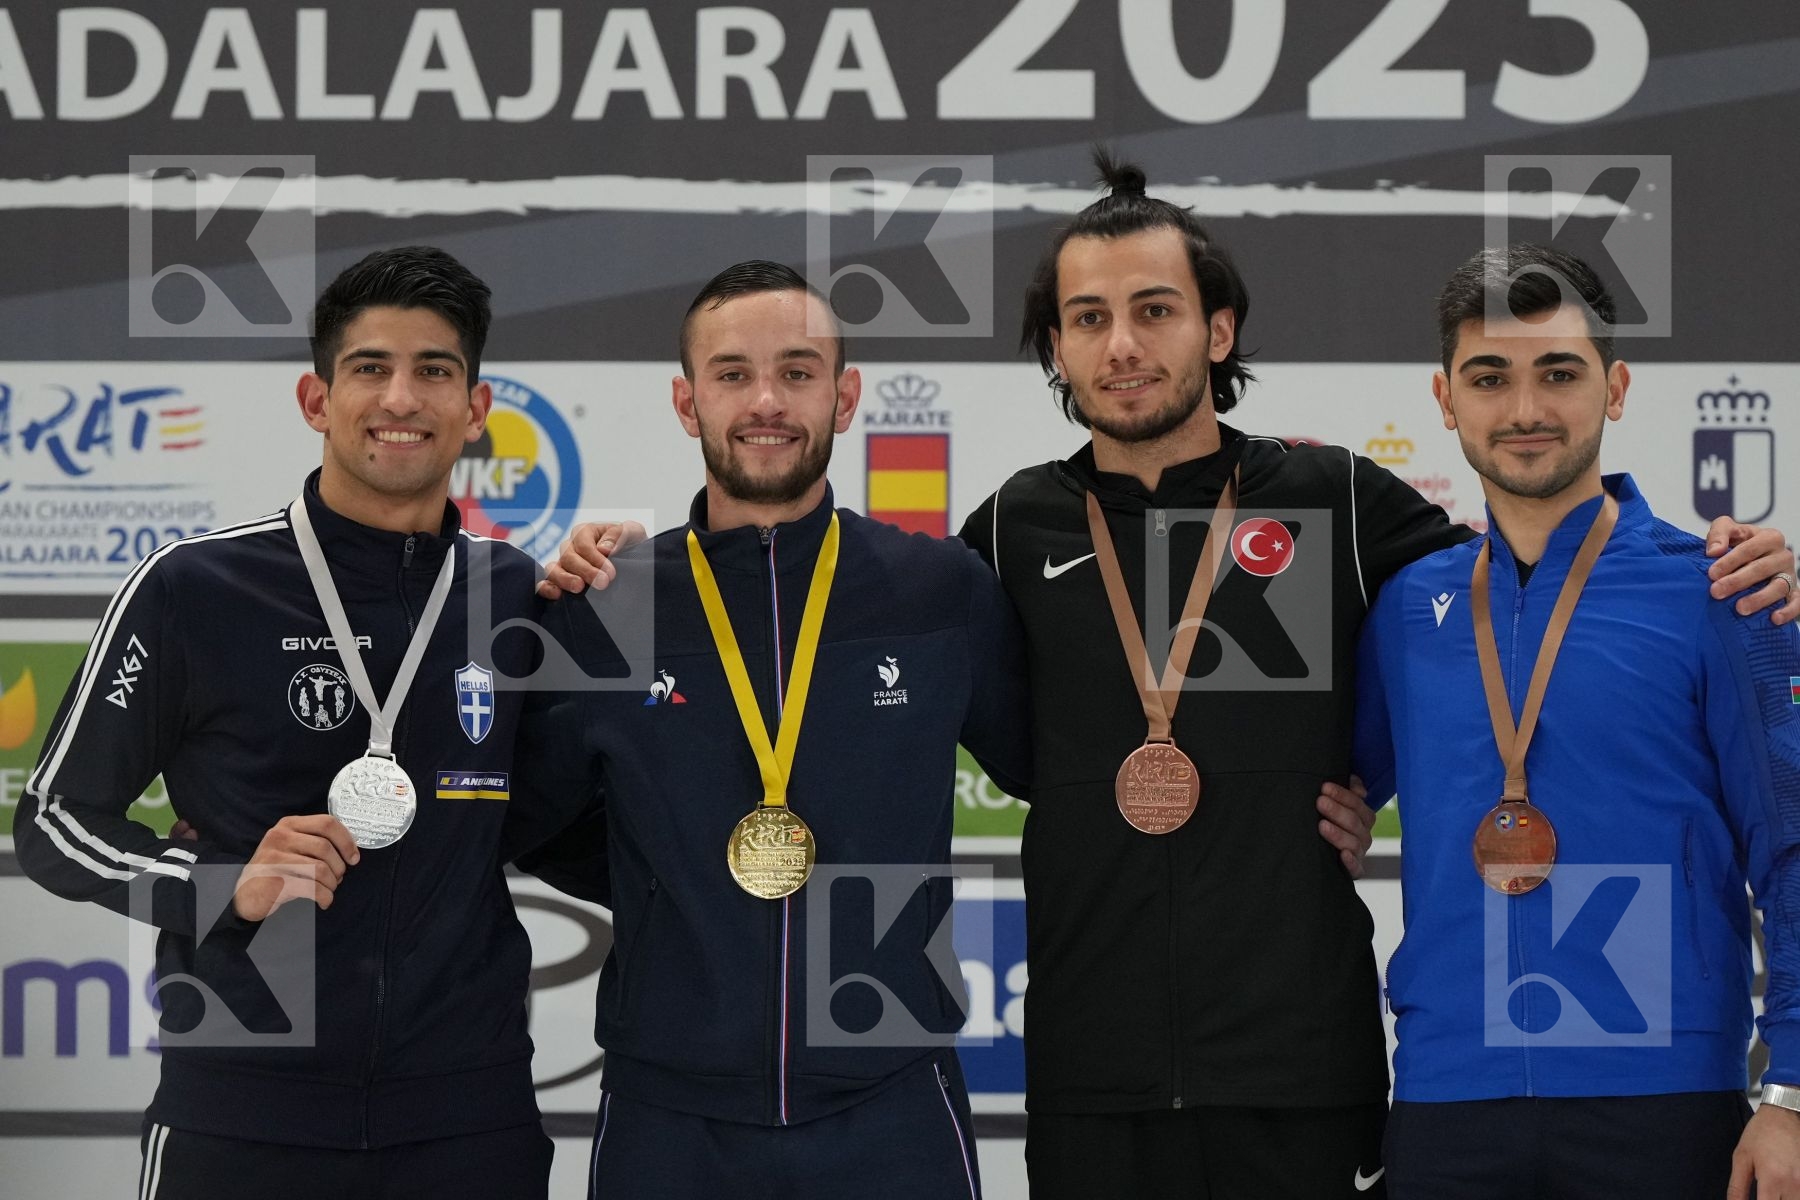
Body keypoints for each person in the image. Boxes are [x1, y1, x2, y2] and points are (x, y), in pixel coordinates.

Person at [548, 157, 1800, 1199]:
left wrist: (1728, 558)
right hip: (1092, 1073)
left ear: (1219, 326)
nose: (1124, 344)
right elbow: (799, 654)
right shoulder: (1001, 537)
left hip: (1303, 1073)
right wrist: (614, 564)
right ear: (1054, 346)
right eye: (1088, 319)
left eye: (1155, 309)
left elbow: (1525, 598)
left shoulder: (1340, 504)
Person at [14, 247, 559, 1198]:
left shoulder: (514, 596)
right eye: (370, 368)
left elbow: (579, 814)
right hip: (242, 1106)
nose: (402, 397)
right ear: (317, 400)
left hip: (468, 1122)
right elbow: (54, 820)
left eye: (435, 370)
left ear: (475, 409)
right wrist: (223, 883)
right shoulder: (195, 587)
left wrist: (639, 585)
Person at [513, 260, 1032, 1199]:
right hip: (670, 1114)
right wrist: (668, 877)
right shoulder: (612, 603)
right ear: (686, 401)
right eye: (731, 374)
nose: (766, 402)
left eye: (797, 372)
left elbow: (1058, 769)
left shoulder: (939, 590)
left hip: (893, 1095)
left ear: (846, 394)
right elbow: (525, 815)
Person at [1336, 243, 1800, 1200]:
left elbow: (1791, 851)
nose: (1526, 411)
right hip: (1445, 1100)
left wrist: (1790, 1090)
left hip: (1663, 1098)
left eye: (1559, 373)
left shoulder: (1721, 592)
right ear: (1445, 397)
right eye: (1489, 378)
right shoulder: (1406, 611)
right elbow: (1325, 786)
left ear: (1616, 388)